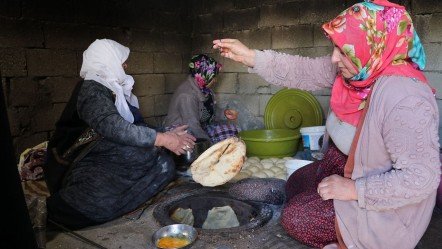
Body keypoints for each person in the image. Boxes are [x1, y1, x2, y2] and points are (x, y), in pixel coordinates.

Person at [213, 0, 441, 248]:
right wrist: (251, 57)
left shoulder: (405, 98)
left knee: (296, 218)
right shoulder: (360, 69)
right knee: (295, 183)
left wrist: (354, 190)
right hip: (340, 166)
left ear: (373, 46)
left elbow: (422, 179)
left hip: (380, 203)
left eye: (343, 51)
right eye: (335, 48)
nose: (334, 58)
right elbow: (304, 70)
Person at [43, 39, 196, 230]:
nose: (126, 65)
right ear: (109, 60)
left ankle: (126, 195)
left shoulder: (116, 89)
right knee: (145, 155)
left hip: (105, 150)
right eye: (122, 60)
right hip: (78, 160)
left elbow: (134, 125)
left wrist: (167, 133)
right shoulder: (92, 88)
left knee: (164, 163)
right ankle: (64, 210)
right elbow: (113, 127)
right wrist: (163, 139)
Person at [163, 54, 238, 144]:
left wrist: (224, 113)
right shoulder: (187, 95)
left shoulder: (205, 89)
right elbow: (192, 126)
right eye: (214, 77)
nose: (215, 80)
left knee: (230, 130)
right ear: (204, 75)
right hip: (181, 130)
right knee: (190, 138)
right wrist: (210, 145)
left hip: (199, 126)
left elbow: (208, 112)